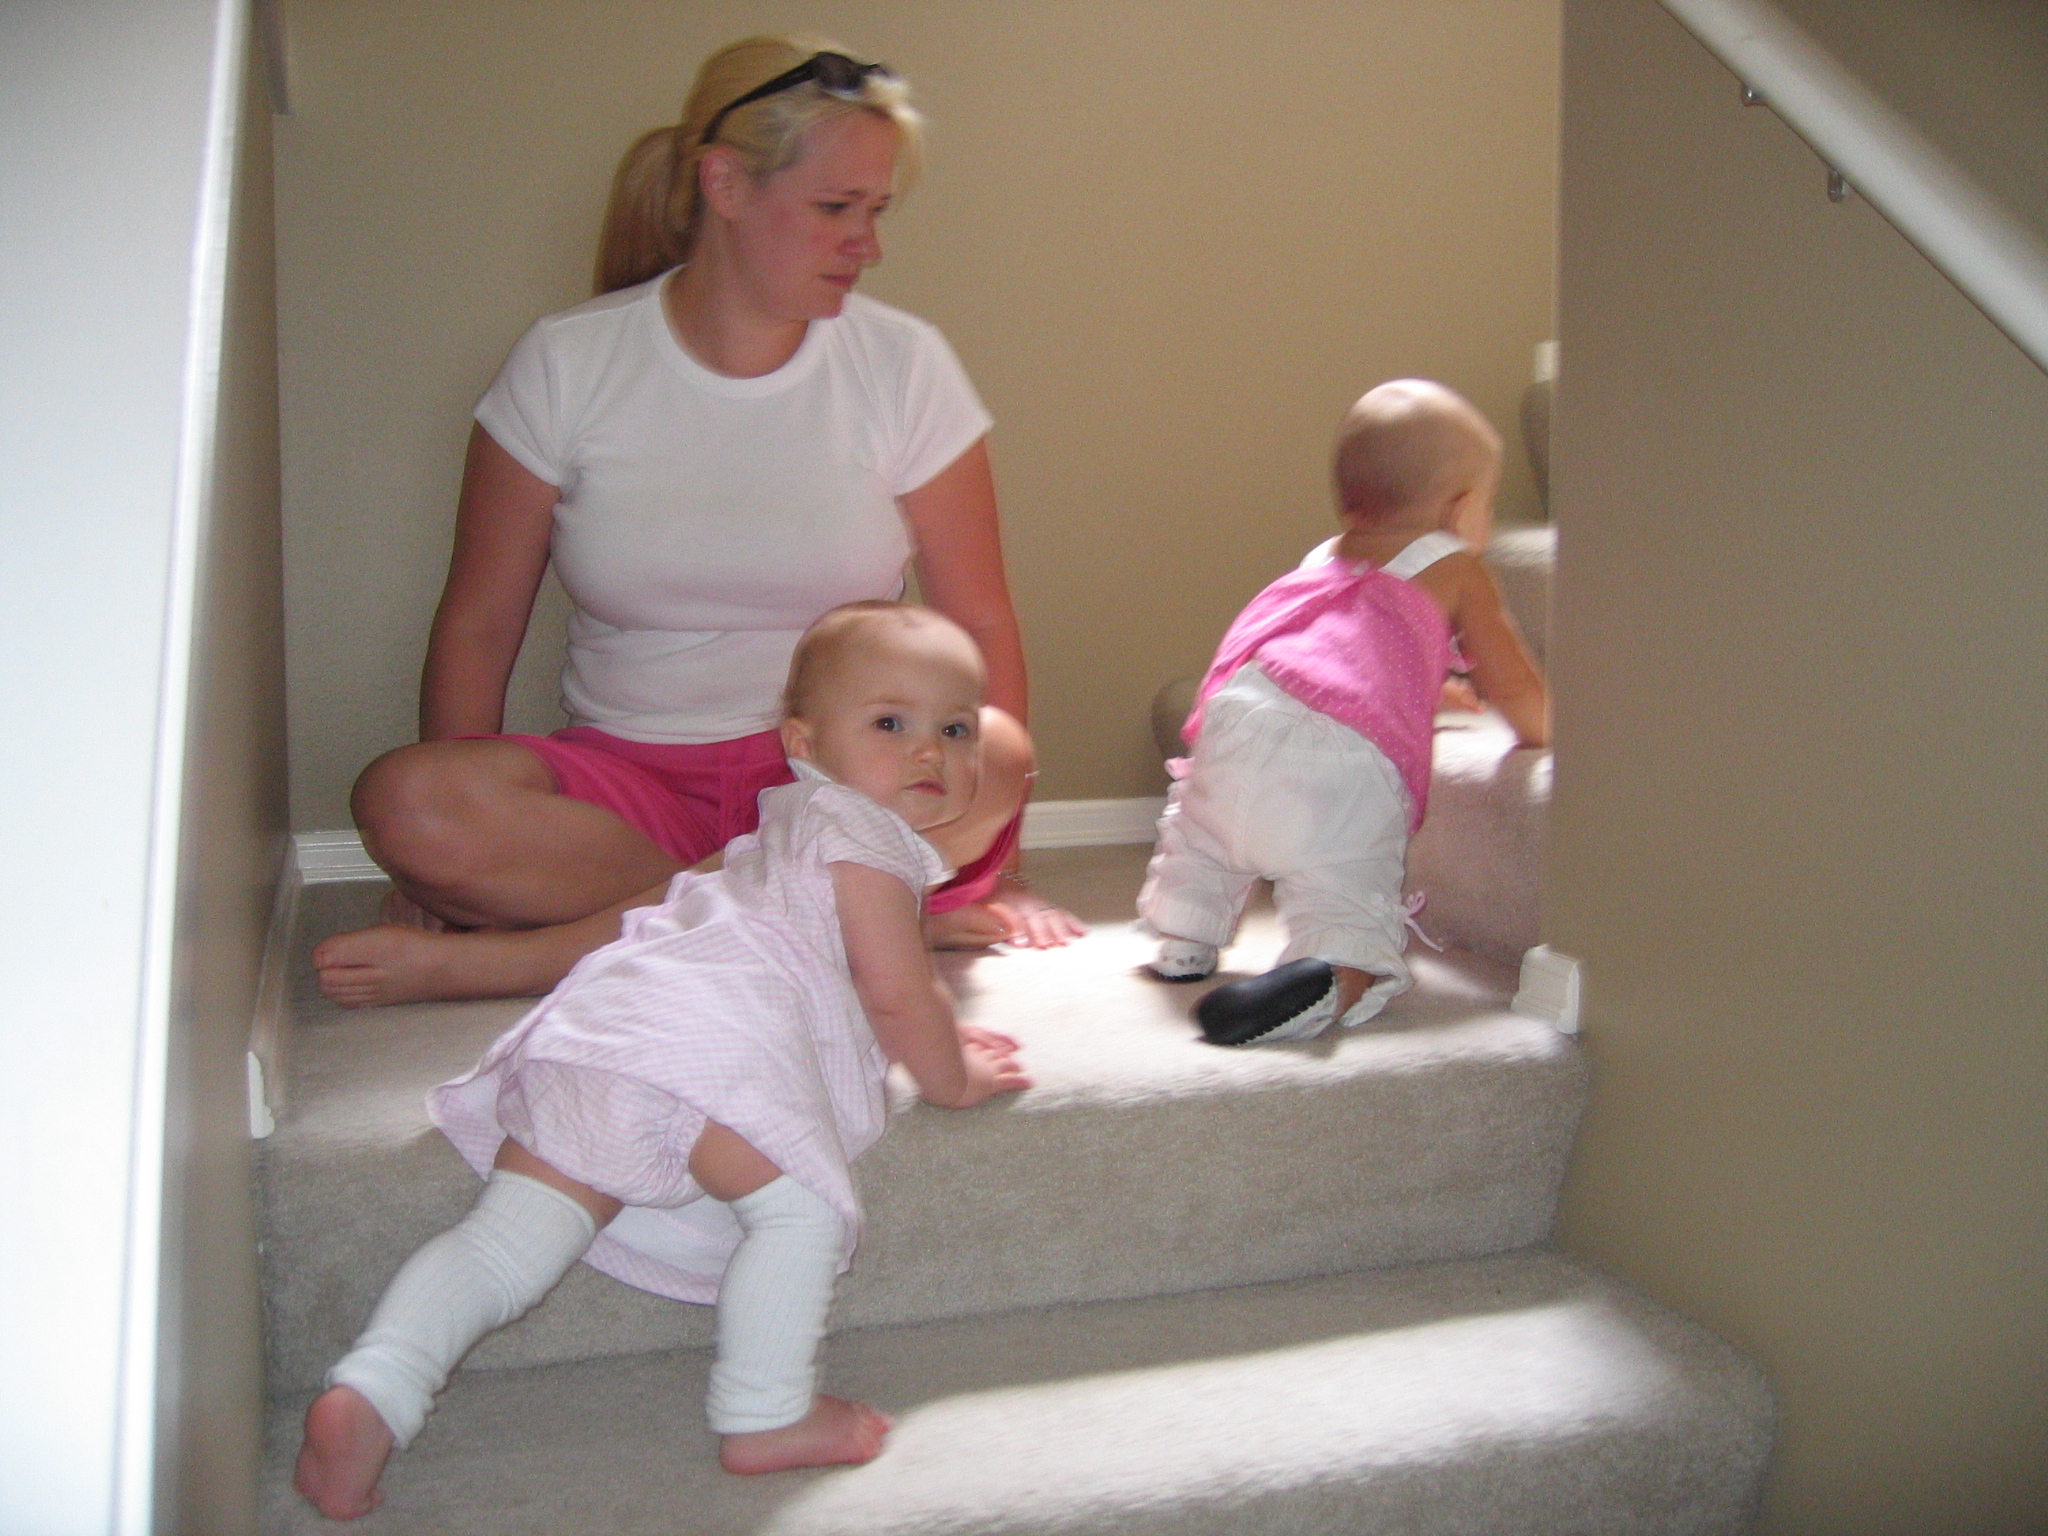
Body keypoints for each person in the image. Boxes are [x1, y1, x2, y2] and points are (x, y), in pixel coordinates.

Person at [313, 35, 1079, 1011]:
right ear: (724, 183)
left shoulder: (903, 365)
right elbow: (480, 622)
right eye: (835, 208)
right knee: (408, 803)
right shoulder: (567, 363)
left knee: (999, 751)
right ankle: (850, 914)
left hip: (844, 770)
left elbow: (976, 625)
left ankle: (528, 957)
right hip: (626, 788)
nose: (867, 243)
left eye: (876, 212)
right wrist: (438, 876)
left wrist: (998, 853)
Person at [293, 603, 1032, 1519]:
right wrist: (952, 1074)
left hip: (613, 1028)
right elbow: (894, 992)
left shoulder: (788, 825)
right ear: (802, 740)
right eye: (891, 723)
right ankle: (767, 1411)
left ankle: (376, 1387)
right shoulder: (874, 844)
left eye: (956, 729)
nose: (931, 752)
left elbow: (818, 925)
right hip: (712, 1049)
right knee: (798, 1217)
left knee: (508, 1239)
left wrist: (922, 923)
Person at [1137, 380, 1549, 1046]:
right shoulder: (1458, 569)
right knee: (1346, 880)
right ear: (1463, 507)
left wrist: (1427, 688)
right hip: (1336, 765)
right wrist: (1543, 727)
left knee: (1204, 839)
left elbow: (1339, 653)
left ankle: (1185, 934)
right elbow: (1512, 682)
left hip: (1236, 726)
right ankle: (1334, 971)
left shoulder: (1324, 558)